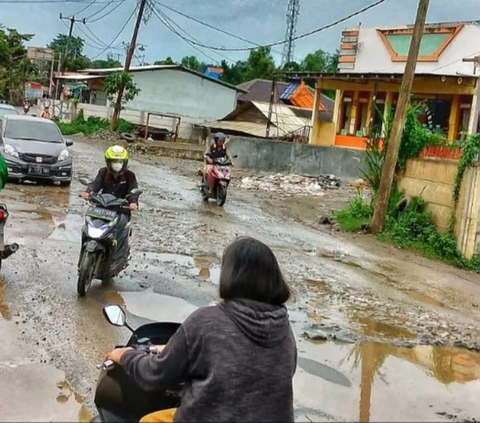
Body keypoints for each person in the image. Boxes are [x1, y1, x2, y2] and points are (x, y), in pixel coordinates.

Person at [104, 236, 296, 423]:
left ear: (231, 275)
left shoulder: (206, 321)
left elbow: (154, 374)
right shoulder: (284, 329)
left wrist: (125, 355)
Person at [80, 145, 139, 264]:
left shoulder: (130, 176)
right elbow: (95, 185)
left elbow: (133, 191)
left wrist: (133, 202)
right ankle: (84, 251)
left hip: (121, 210)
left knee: (120, 229)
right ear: (108, 162)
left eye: (119, 161)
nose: (116, 164)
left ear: (124, 162)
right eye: (114, 161)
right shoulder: (103, 172)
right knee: (88, 225)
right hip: (103, 208)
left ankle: (118, 257)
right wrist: (88, 192)